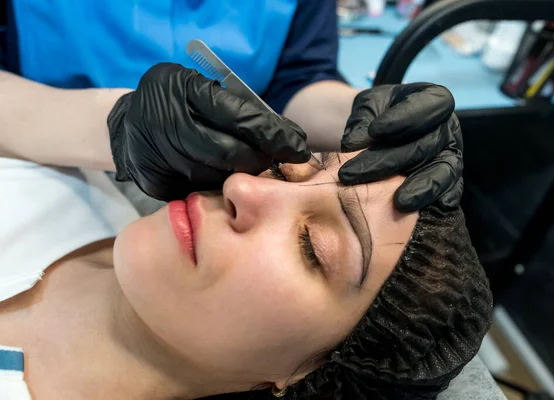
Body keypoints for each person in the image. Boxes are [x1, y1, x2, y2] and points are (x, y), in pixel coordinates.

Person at [0, 139, 492, 399]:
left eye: (311, 247)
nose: (245, 187)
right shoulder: (65, 172)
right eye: (289, 170)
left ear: (311, 376)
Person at [0, 0, 463, 212]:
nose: (248, 199)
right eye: (311, 248)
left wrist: (365, 114)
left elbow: (297, 80)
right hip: (46, 174)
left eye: (313, 247)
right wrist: (112, 128)